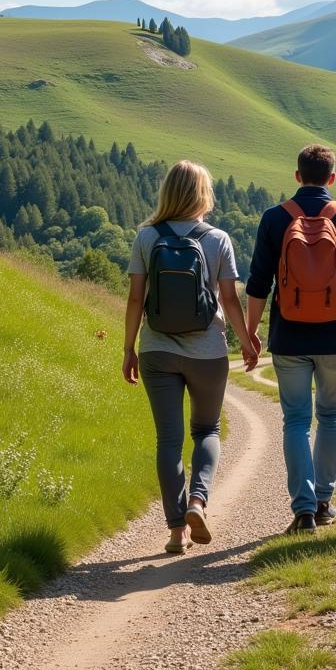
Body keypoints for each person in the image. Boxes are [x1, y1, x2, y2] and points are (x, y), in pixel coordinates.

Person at [123, 160, 259, 554]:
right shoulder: (218, 238)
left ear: (167, 191)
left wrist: (129, 348)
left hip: (157, 349)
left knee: (169, 440)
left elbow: (135, 298)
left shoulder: (146, 237)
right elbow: (230, 298)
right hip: (208, 351)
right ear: (204, 194)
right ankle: (198, 501)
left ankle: (176, 530)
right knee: (207, 431)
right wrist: (248, 341)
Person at [246, 144, 336, 534]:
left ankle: (303, 510)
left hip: (288, 337)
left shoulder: (274, 219)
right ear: (332, 179)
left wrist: (252, 333)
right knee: (330, 415)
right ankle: (323, 502)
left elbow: (258, 283)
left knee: (296, 420)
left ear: (297, 176)